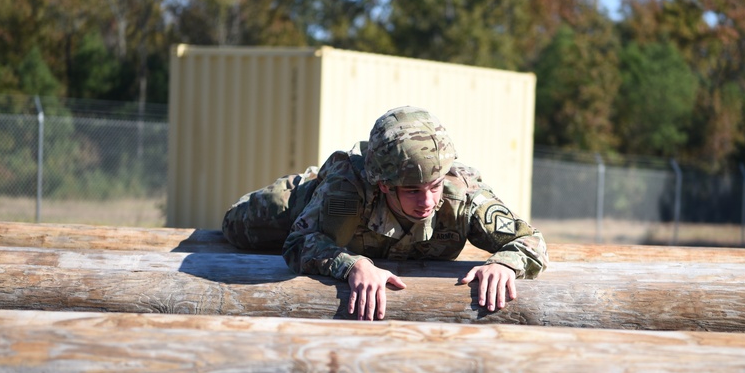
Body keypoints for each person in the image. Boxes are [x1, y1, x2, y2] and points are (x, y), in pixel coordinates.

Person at [222, 105, 548, 320]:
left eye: (433, 187)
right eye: (411, 191)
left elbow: (530, 240)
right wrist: (352, 265)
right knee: (235, 227)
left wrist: (505, 264)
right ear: (383, 186)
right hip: (303, 201)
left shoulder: (461, 194)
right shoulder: (348, 190)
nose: (427, 201)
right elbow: (299, 243)